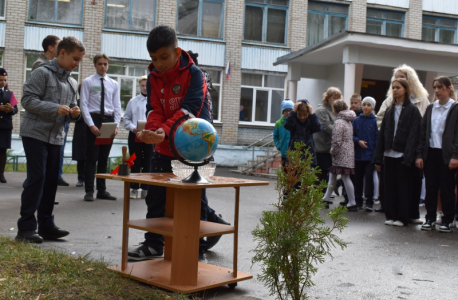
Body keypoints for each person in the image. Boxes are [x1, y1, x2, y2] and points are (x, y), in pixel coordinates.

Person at [130, 25, 212, 261]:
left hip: (194, 147)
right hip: (164, 147)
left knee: (195, 199)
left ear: (177, 51)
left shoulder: (195, 74)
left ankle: (197, 251)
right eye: (154, 59)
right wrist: (153, 130)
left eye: (164, 57)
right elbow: (154, 109)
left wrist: (163, 131)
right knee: (155, 196)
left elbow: (190, 110)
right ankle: (154, 244)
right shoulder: (154, 77)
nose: (159, 63)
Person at [16, 36, 84, 243]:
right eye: (74, 58)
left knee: (52, 181)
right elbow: (27, 101)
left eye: (79, 60)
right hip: (35, 134)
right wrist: (54, 108)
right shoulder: (41, 73)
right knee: (37, 179)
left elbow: (73, 108)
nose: (76, 64)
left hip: (56, 137)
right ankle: (25, 229)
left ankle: (46, 225)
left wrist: (75, 113)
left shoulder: (72, 82)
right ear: (61, 53)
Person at [376, 64, 429, 220]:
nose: (398, 81)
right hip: (394, 148)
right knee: (394, 184)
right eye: (396, 78)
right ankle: (395, 214)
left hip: (414, 147)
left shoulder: (421, 100)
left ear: (410, 81)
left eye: (402, 77)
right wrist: (391, 136)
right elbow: (381, 119)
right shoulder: (389, 102)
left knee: (412, 183)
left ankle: (411, 214)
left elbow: (425, 124)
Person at [416, 76, 458, 232]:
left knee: (447, 189)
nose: (437, 90)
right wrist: (420, 154)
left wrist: (455, 156)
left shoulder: (455, 108)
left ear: (448, 88)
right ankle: (430, 218)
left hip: (447, 155)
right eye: (435, 87)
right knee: (431, 188)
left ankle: (447, 219)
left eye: (440, 87)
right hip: (431, 153)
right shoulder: (431, 108)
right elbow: (423, 133)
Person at [80, 54, 122, 202]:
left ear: (108, 65)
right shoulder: (88, 82)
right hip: (94, 119)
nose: (102, 66)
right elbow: (83, 105)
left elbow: (117, 106)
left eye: (105, 64)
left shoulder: (114, 84)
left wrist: (116, 125)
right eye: (99, 64)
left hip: (109, 121)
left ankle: (102, 190)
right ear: (95, 65)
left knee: (104, 158)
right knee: (91, 157)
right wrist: (91, 124)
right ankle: (89, 191)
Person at [32, 35, 69, 187]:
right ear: (51, 48)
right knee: (40, 167)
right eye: (59, 45)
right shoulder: (40, 66)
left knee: (57, 154)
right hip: (44, 121)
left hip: (60, 118)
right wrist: (55, 108)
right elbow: (34, 96)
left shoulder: (61, 67)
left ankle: (55, 178)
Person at [322, 100, 357, 211]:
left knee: (345, 177)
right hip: (348, 153)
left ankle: (352, 202)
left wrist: (333, 151)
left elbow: (336, 140)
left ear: (335, 109)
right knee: (333, 176)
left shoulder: (338, 122)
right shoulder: (348, 120)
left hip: (340, 154)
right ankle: (326, 198)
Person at [123, 75, 153, 199]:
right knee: (135, 161)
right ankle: (134, 188)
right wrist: (133, 128)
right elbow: (126, 119)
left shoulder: (154, 101)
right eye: (142, 85)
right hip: (135, 134)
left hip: (150, 135)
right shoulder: (133, 101)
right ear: (139, 86)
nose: (145, 88)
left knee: (148, 162)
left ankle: (146, 188)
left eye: (147, 85)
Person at [352, 97, 379, 211]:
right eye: (364, 105)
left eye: (369, 105)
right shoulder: (357, 120)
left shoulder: (375, 121)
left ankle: (369, 202)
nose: (366, 107)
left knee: (369, 179)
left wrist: (377, 156)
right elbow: (351, 135)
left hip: (370, 155)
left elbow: (377, 139)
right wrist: (358, 141)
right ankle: (358, 201)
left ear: (372, 107)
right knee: (357, 179)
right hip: (358, 155)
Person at [314, 87, 341, 189]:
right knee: (320, 174)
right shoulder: (321, 110)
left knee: (327, 174)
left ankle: (324, 196)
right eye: (334, 98)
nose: (336, 101)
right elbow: (326, 127)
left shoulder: (334, 110)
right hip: (321, 148)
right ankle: (318, 198)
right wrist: (341, 130)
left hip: (329, 149)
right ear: (328, 98)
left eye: (338, 98)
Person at [0, 68, 18, 184]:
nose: (3, 82)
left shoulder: (9, 93)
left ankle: (1, 173)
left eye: (5, 80)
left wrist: (11, 109)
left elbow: (15, 108)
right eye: (1, 80)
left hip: (5, 126)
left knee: (2, 151)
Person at [72, 83, 86, 187]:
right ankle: (81, 179)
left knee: (91, 158)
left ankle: (90, 179)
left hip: (93, 132)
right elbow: (73, 117)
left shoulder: (94, 102)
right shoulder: (77, 103)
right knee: (80, 156)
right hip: (81, 132)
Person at [274, 99, 294, 167]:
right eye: (286, 110)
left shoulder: (295, 122)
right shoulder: (278, 123)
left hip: (295, 154)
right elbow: (275, 136)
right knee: (285, 173)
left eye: (290, 110)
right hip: (284, 153)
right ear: (283, 111)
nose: (288, 113)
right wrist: (279, 146)